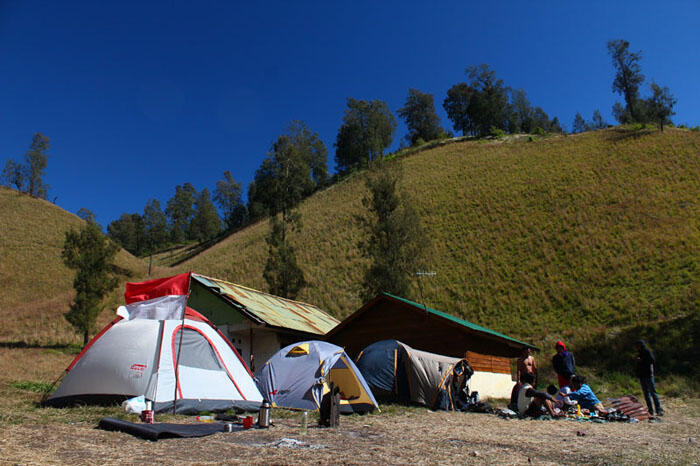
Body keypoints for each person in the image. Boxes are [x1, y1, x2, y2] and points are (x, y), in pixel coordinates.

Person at [635, 340, 663, 416]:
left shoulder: (647, 352)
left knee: (653, 393)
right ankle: (650, 410)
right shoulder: (639, 353)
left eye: (637, 345)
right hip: (642, 376)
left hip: (648, 375)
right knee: (646, 394)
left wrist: (642, 360)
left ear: (641, 345)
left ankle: (658, 410)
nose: (636, 347)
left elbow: (652, 361)